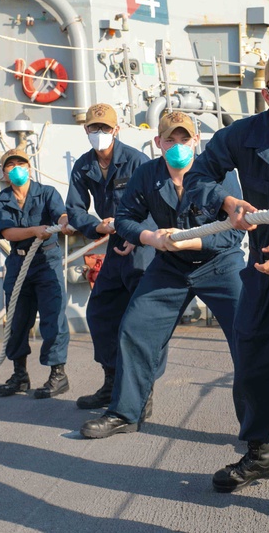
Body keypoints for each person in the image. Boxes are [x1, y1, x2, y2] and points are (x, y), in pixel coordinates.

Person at [184, 48, 269, 493]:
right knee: (251, 368)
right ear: (268, 96)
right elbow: (197, 177)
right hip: (261, 269)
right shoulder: (242, 136)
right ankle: (262, 452)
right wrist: (225, 200)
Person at [80, 111, 246, 439]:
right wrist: (150, 238)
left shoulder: (221, 175)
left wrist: (187, 241)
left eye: (185, 139)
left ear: (197, 141)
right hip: (169, 266)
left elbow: (231, 233)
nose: (179, 145)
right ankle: (127, 411)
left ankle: (268, 422)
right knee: (135, 328)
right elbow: (126, 217)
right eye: (171, 139)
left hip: (220, 264)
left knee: (250, 336)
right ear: (158, 142)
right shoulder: (147, 175)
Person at [65, 103, 160, 410]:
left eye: (106, 128)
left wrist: (136, 233)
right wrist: (95, 225)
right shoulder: (83, 165)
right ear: (86, 130)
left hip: (142, 250)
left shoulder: (137, 161)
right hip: (115, 251)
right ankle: (111, 382)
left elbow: (157, 205)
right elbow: (75, 207)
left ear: (116, 130)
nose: (100, 133)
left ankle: (143, 391)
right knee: (101, 313)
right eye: (95, 128)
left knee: (141, 321)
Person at [0, 148, 74, 399]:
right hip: (18, 263)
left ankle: (58, 375)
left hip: (46, 261)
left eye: (21, 163)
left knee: (53, 318)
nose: (16, 168)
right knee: (17, 321)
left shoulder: (47, 193)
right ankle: (20, 376)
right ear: (4, 172)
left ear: (30, 167)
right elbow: (8, 233)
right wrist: (35, 230)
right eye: (10, 165)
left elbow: (61, 213)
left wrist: (65, 222)